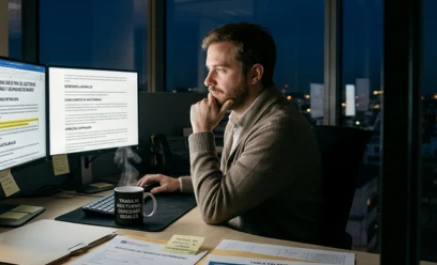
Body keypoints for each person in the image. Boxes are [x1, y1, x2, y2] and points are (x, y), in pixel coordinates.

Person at [138, 22, 323, 243]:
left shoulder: (278, 128)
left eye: (221, 70)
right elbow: (232, 180)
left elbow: (213, 209)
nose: (208, 81)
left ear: (255, 74)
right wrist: (180, 183)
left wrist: (201, 132)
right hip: (243, 237)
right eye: (209, 69)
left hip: (274, 249)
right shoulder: (241, 114)